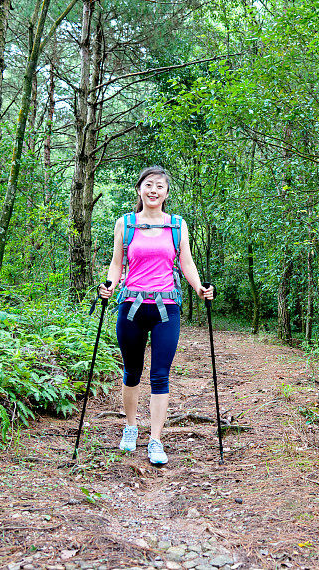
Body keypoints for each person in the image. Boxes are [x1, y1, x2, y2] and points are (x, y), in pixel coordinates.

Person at [99, 166, 214, 465]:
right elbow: (116, 263)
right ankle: (130, 428)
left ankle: (156, 440)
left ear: (165, 192)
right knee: (132, 372)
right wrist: (109, 285)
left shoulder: (177, 225)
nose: (153, 190)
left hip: (167, 308)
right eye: (148, 185)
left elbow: (186, 263)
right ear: (139, 189)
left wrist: (200, 288)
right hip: (131, 308)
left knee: (160, 375)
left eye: (159, 186)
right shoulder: (125, 224)